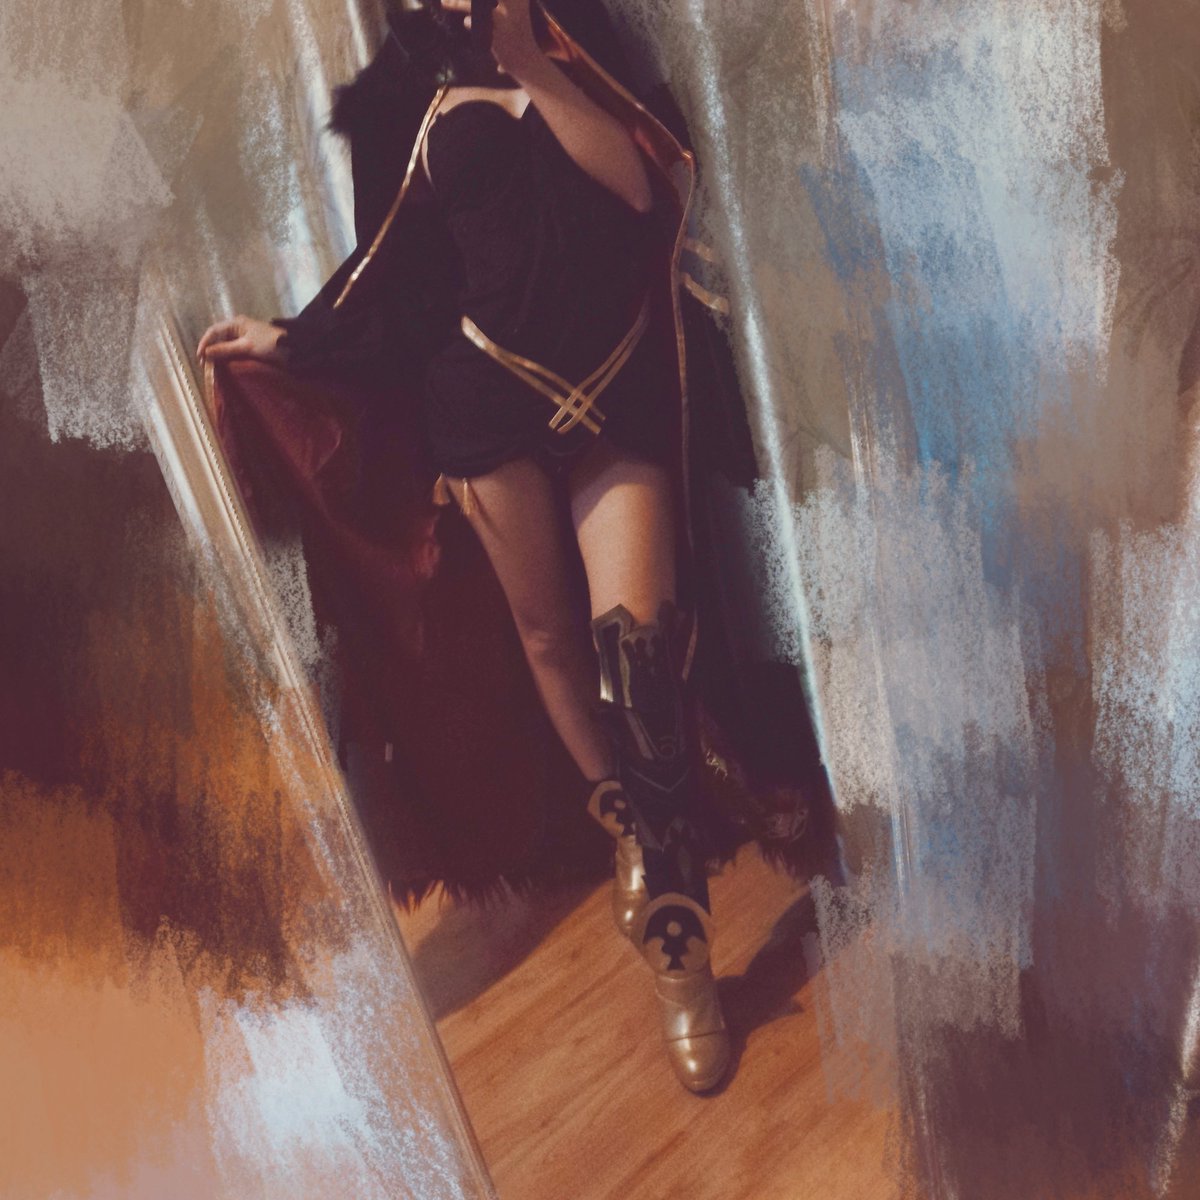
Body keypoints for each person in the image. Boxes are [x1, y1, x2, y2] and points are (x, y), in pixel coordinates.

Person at [196, 0, 792, 1094]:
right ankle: (632, 828)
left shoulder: (580, 36)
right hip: (484, 409)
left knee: (639, 657)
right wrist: (292, 340)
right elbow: (393, 277)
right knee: (550, 642)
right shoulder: (399, 92)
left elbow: (645, 191)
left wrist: (531, 62)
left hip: (610, 395)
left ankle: (681, 955)